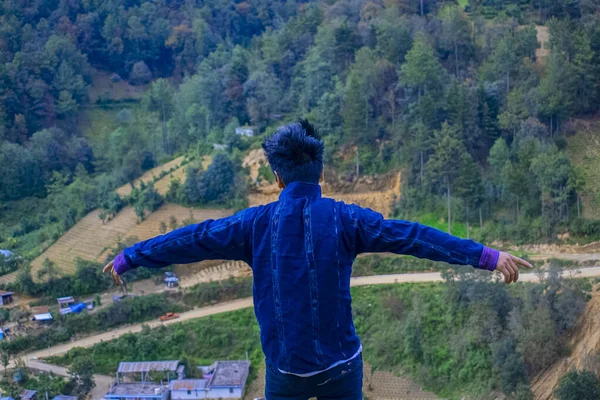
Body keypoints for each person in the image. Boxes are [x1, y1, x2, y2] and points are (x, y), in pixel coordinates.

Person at [103, 119, 532, 400]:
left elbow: (193, 239)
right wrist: (486, 256)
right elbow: (414, 237)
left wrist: (130, 257)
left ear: (276, 178)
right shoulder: (347, 220)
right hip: (341, 369)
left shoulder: (253, 225)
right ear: (322, 173)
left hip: (285, 373)